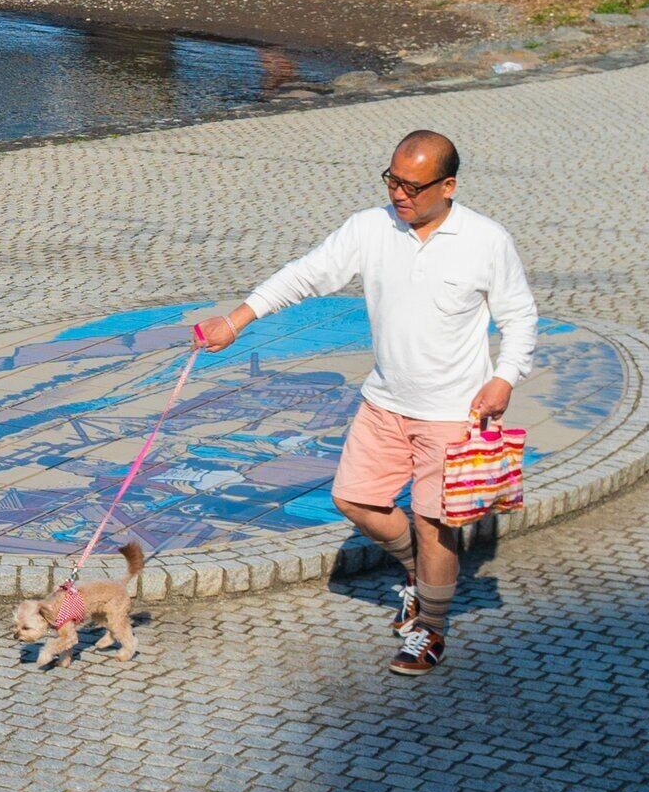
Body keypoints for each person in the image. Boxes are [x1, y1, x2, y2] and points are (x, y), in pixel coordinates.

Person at [192, 128, 535, 676]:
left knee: (433, 522)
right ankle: (417, 575)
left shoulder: (486, 240)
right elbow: (305, 275)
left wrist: (506, 377)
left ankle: (431, 627)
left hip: (453, 412)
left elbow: (519, 317)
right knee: (354, 499)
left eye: (413, 186)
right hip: (383, 403)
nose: (399, 195)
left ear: (448, 186)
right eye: (392, 180)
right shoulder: (370, 228)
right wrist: (236, 320)